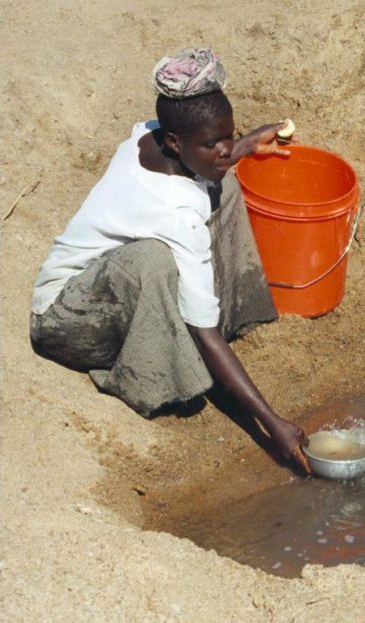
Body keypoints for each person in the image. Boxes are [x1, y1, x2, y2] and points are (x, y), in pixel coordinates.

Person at [29, 48, 310, 474]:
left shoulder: (148, 136)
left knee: (223, 187)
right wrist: (274, 425)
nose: (224, 149)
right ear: (176, 143)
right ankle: (148, 377)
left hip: (107, 286)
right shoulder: (176, 216)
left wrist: (245, 145)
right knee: (154, 262)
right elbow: (204, 330)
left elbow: (202, 159)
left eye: (228, 136)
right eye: (211, 143)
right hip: (67, 322)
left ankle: (227, 317)